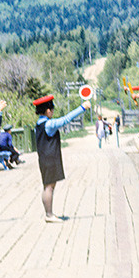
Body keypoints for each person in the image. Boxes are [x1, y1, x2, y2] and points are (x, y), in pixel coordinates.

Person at [34, 94, 88, 223]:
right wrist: (82, 108)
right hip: (50, 159)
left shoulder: (39, 123)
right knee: (49, 187)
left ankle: (48, 213)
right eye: (52, 109)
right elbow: (65, 119)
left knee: (47, 186)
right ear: (48, 111)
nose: (53, 112)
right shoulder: (49, 124)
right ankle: (49, 215)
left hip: (44, 159)